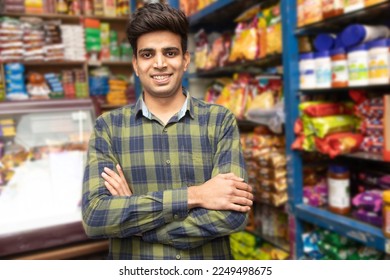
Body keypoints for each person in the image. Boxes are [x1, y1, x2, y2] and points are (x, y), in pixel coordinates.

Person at [82, 2, 253, 260]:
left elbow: (233, 215)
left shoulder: (219, 121)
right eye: (148, 54)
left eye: (170, 53)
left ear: (185, 60)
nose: (159, 63)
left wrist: (138, 226)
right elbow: (96, 216)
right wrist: (196, 195)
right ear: (136, 64)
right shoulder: (109, 127)